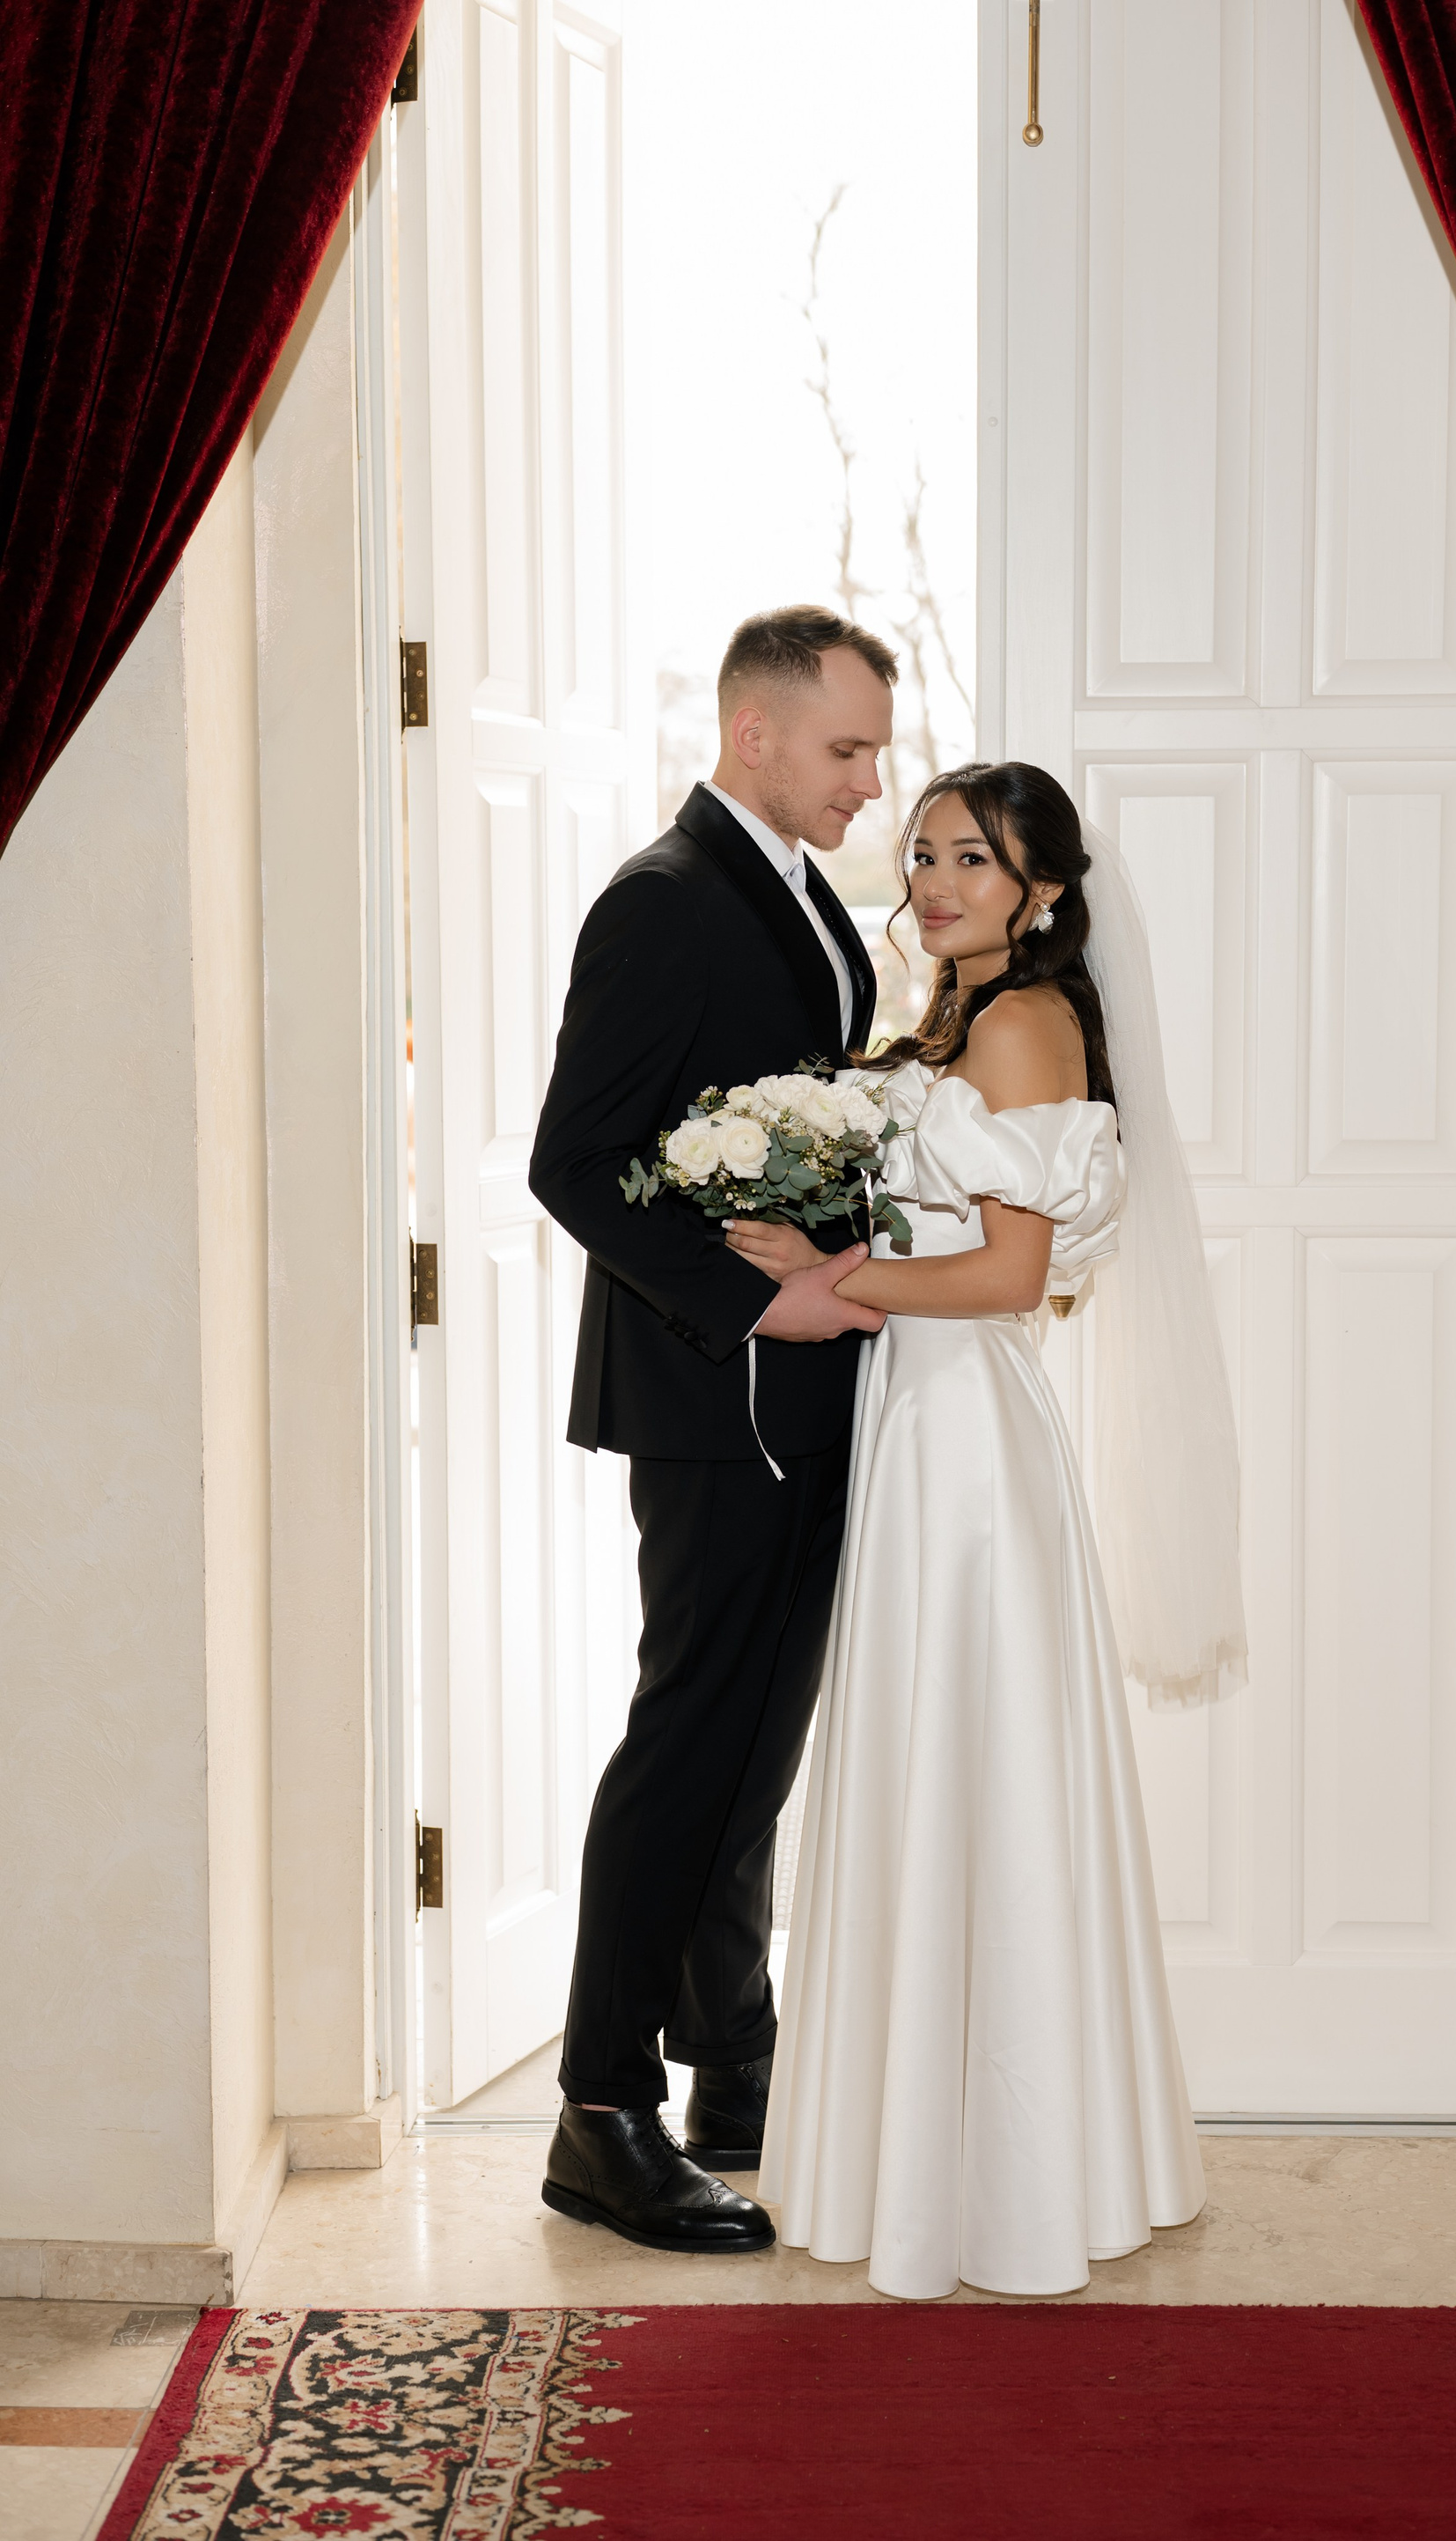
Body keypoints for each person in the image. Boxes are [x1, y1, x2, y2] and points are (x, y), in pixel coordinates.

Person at [739, 761, 1248, 2300]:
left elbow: (1010, 1276)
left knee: (977, 1759)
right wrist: (825, 1239)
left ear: (1044, 890)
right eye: (925, 853)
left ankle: (1003, 2185)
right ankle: (934, 2162)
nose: (938, 881)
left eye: (975, 857)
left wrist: (833, 1284)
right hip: (923, 1417)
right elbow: (947, 1229)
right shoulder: (953, 1018)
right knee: (933, 1758)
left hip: (967, 1440)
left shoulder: (1022, 1021)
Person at [527, 604, 893, 2254]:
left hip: (805, 1390)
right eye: (847, 747)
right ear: (757, 734)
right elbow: (574, 1161)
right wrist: (758, 1304)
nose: (870, 781)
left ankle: (733, 2059)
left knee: (761, 1735)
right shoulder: (665, 900)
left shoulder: (806, 896)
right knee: (691, 1734)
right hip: (711, 1390)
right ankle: (601, 2110)